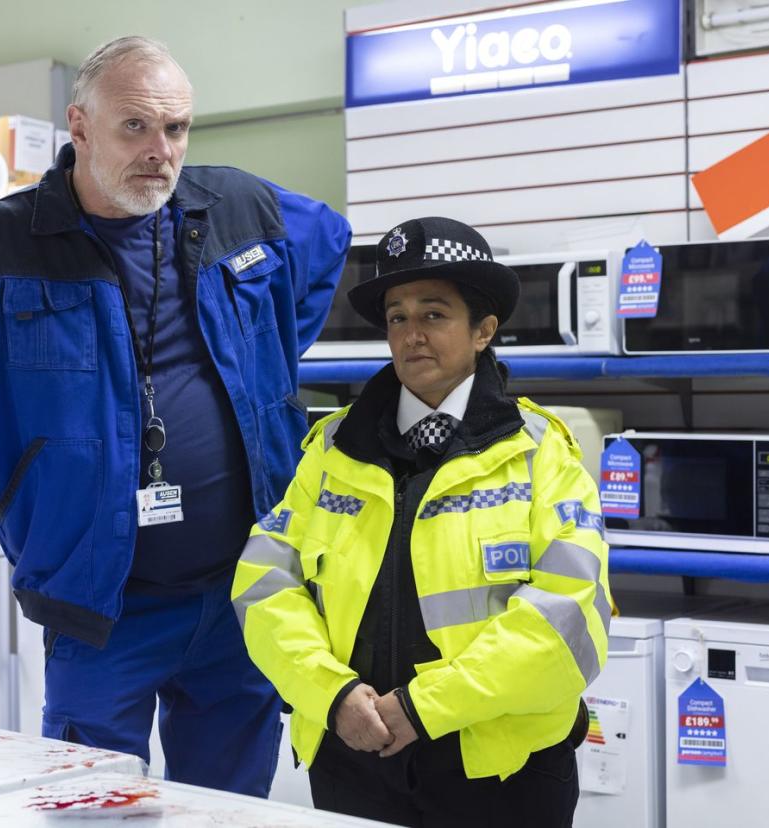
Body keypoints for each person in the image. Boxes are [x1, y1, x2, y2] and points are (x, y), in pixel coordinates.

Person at [0, 35, 351, 798]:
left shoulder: (238, 207)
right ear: (79, 126)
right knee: (92, 810)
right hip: (100, 614)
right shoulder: (2, 245)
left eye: (177, 129)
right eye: (136, 127)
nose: (161, 151)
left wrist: (269, 362)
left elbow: (328, 244)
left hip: (244, 601)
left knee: (228, 814)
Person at [232, 217, 609, 826]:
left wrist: (423, 708)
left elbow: (568, 620)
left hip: (502, 772)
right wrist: (331, 695)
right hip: (355, 759)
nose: (412, 335)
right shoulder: (332, 451)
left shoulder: (541, 454)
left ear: (483, 330)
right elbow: (263, 585)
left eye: (434, 314)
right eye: (397, 317)